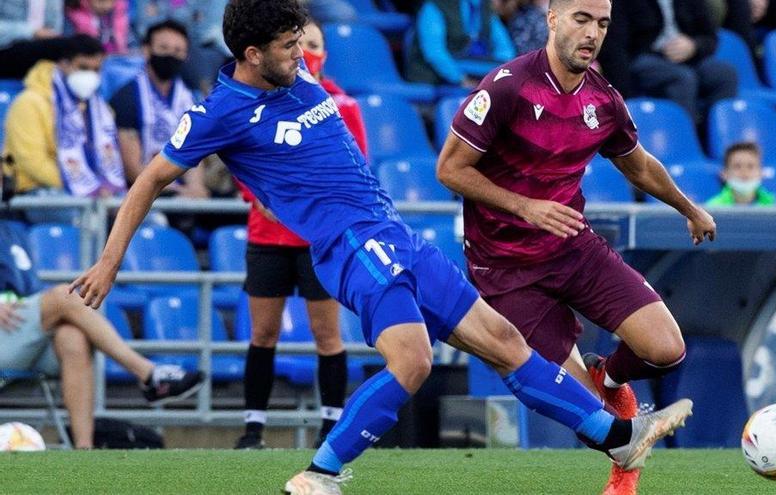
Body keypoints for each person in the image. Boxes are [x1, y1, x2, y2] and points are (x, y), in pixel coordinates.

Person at [69, 2, 693, 493]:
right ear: (253, 55)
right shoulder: (221, 112)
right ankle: (319, 472)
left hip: (393, 232)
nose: (306, 51)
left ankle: (617, 439)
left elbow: (289, 37)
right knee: (413, 361)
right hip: (347, 246)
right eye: (292, 46)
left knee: (506, 343)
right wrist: (108, 262)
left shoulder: (294, 69)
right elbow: (148, 180)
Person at [436, 0, 717, 493]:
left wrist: (688, 208)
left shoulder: (604, 100)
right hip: (505, 268)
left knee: (667, 350)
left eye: (603, 23)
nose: (592, 33)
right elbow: (450, 170)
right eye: (581, 19)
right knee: (586, 411)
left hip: (572, 247)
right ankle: (619, 464)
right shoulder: (507, 86)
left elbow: (639, 165)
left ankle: (610, 376)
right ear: (552, 19)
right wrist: (525, 206)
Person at [234, 19, 367, 450]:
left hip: (318, 240)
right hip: (267, 237)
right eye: (296, 43)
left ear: (324, 54)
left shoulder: (342, 104)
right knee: (263, 334)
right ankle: (253, 429)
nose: (304, 52)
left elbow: (353, 164)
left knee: (327, 334)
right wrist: (260, 195)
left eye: (312, 44)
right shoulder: (260, 101)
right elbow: (243, 159)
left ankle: (331, 428)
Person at [0, 205, 204, 449]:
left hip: (17, 333)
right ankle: (147, 372)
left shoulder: (11, 231)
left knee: (72, 336)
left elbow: (27, 289)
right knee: (62, 296)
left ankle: (84, 450)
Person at [3, 34, 125, 224]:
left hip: (94, 193)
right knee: (88, 221)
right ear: (62, 64)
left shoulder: (102, 110)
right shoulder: (29, 103)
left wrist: (100, 188)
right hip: (34, 191)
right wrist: (86, 187)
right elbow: (33, 163)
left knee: (145, 217)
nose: (90, 76)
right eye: (83, 68)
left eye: (96, 70)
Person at [109, 20, 208, 198]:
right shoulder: (127, 96)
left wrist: (195, 188)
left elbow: (194, 151)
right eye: (163, 48)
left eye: (178, 51)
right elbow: (131, 165)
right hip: (139, 190)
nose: (171, 55)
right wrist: (172, 192)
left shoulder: (190, 97)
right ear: (147, 50)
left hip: (181, 191)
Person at [596, 0, 738, 122]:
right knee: (682, 78)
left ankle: (717, 136)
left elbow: (709, 36)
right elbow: (615, 47)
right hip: (643, 58)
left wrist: (694, 46)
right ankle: (686, 138)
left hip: (689, 57)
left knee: (724, 73)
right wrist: (621, 93)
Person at [406, 0, 517, 88]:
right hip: (431, 83)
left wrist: (497, 76)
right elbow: (434, 52)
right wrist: (461, 79)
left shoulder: (485, 7)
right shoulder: (435, 5)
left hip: (476, 77)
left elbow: (505, 49)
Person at [0, 0, 68, 80]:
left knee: (75, 47)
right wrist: (32, 32)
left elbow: (55, 31)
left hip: (43, 50)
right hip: (8, 47)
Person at [707, 142, 775, 206]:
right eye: (737, 166)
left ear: (761, 173)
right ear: (724, 174)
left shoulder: (774, 205)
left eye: (750, 166)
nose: (744, 172)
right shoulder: (713, 208)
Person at [64, 0, 129, 55]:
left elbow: (128, 42)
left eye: (109, 1)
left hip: (115, 58)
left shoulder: (119, 14)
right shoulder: (75, 16)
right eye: (100, 1)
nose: (105, 6)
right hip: (89, 58)